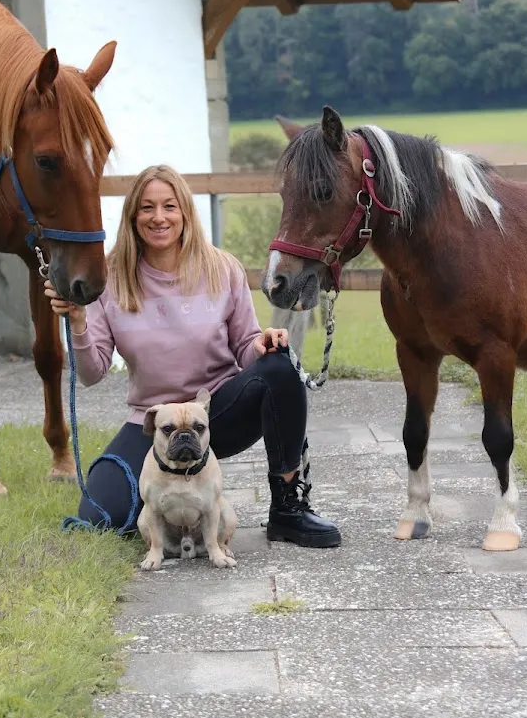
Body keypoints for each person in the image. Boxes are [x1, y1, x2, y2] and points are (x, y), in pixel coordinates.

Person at [45, 164, 340, 549]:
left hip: (217, 412)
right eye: (147, 208)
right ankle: (182, 502)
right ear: (133, 217)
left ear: (184, 212)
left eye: (169, 206)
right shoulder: (111, 277)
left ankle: (287, 509)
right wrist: (79, 321)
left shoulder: (221, 268)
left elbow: (244, 343)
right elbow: (92, 372)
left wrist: (263, 343)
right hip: (153, 423)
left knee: (280, 367)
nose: (159, 217)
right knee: (101, 517)